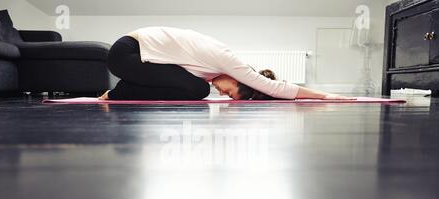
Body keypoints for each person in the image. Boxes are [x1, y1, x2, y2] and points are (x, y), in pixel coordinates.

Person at [99, 26, 347, 101]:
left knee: (196, 89)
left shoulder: (213, 70)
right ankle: (117, 93)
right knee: (198, 90)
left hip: (135, 60)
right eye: (228, 91)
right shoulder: (230, 61)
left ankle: (120, 91)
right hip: (126, 53)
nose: (221, 92)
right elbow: (275, 87)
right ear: (238, 78)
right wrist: (326, 96)